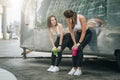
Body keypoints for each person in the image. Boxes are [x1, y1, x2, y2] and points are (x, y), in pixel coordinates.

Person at [63, 9, 92, 76]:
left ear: (71, 16)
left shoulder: (81, 17)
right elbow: (71, 32)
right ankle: (74, 67)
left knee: (79, 48)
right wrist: (75, 43)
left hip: (86, 34)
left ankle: (79, 69)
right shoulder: (68, 19)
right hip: (78, 34)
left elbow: (84, 32)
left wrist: (79, 43)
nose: (66, 19)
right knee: (74, 48)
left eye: (67, 18)